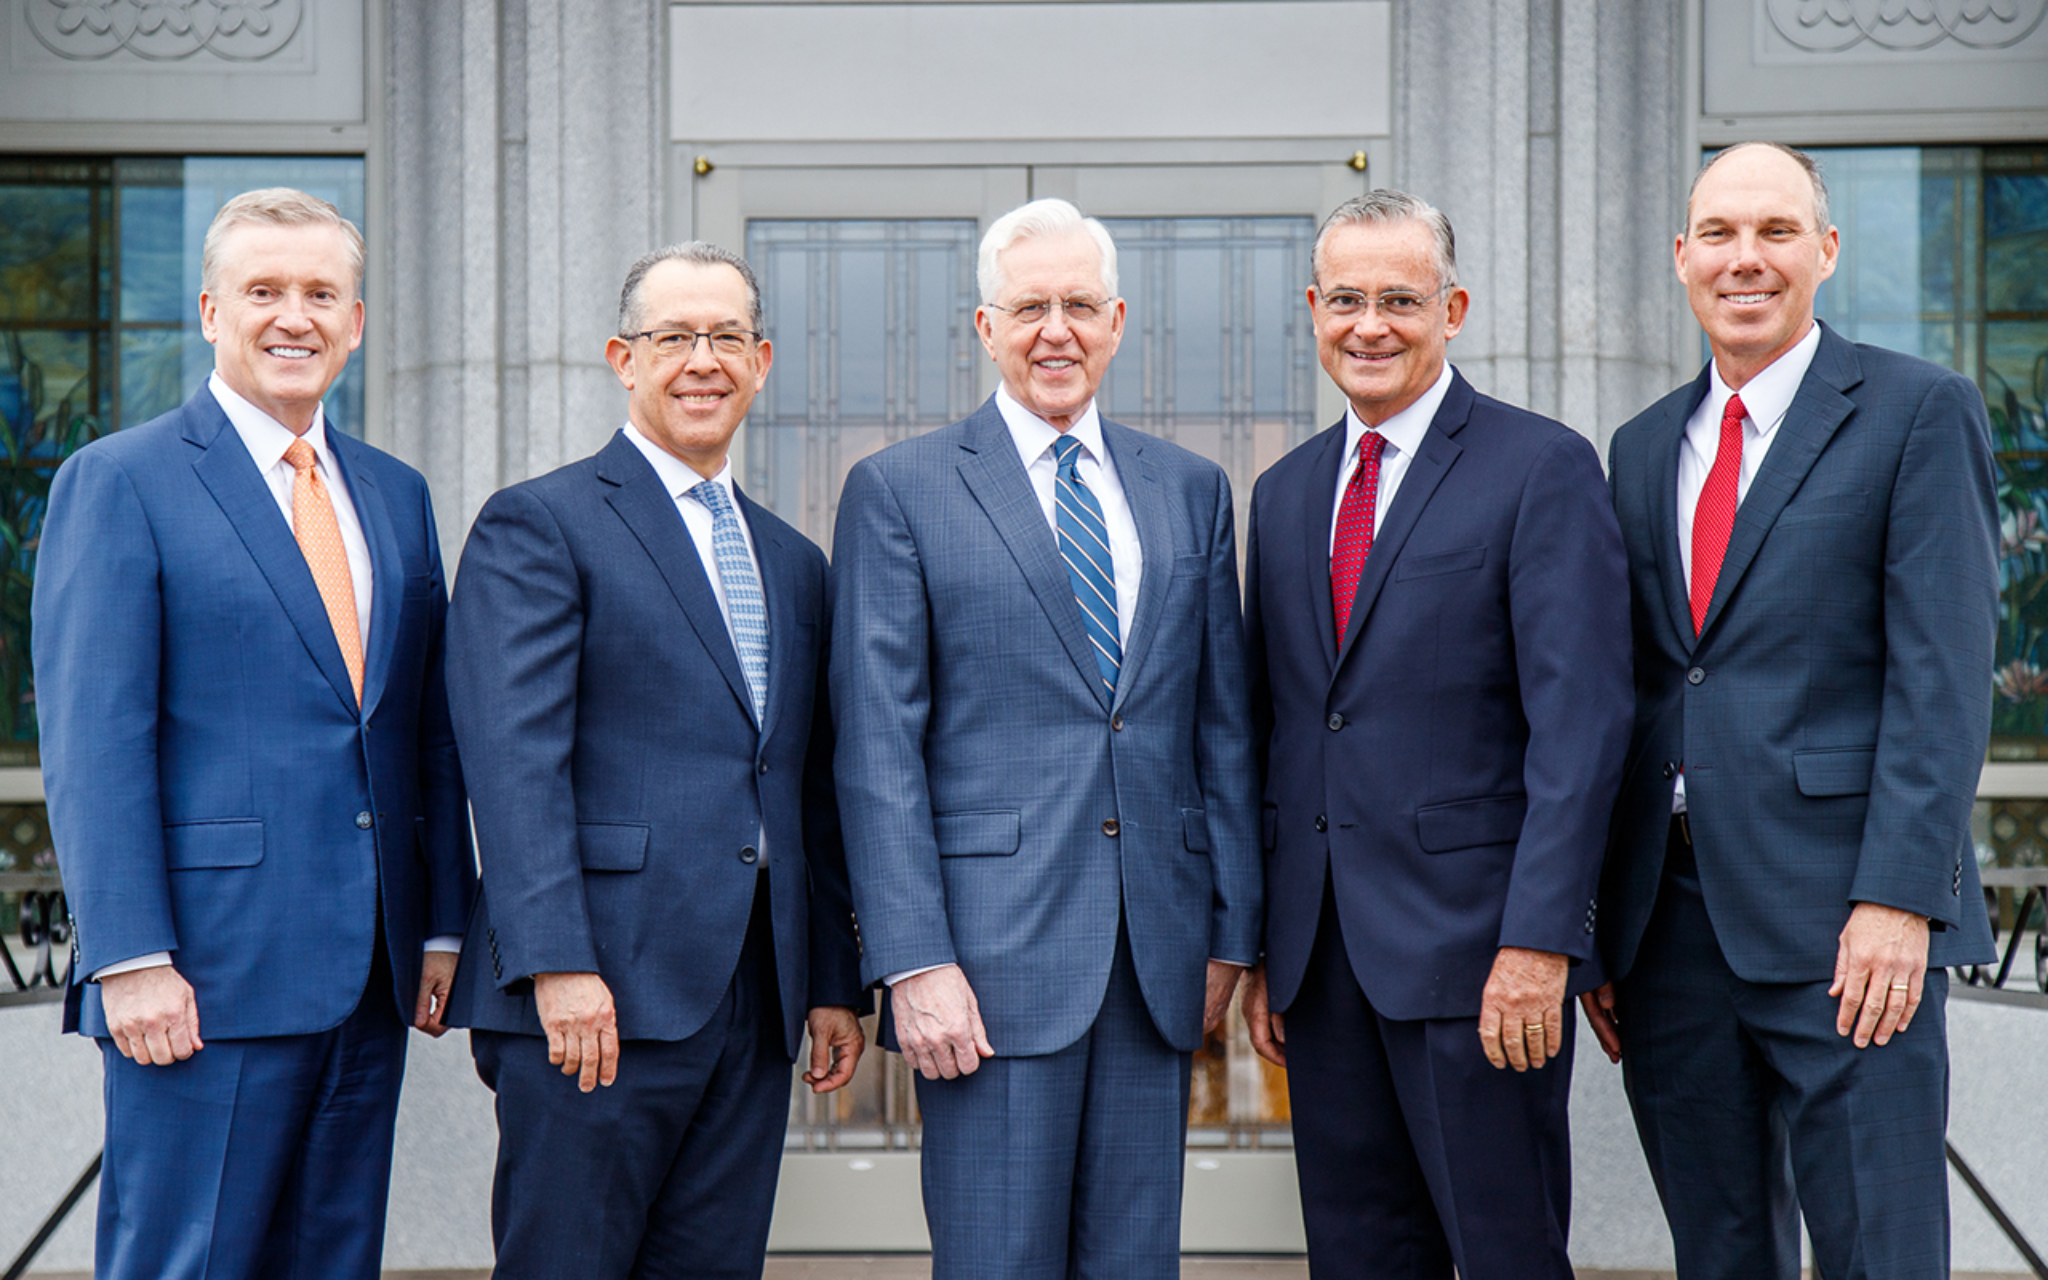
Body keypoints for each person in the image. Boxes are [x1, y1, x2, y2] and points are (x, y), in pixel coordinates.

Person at [32, 188, 477, 1280]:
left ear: (355, 322)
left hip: (371, 976)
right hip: (201, 978)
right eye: (264, 290)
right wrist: (131, 956)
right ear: (210, 312)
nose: (294, 316)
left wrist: (441, 922)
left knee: (332, 1261)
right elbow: (95, 742)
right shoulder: (120, 481)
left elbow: (424, 730)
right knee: (185, 1262)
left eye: (321, 293)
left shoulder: (395, 494)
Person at [1587, 141, 1999, 1280]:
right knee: (1718, 1253)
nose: (1745, 259)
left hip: (1848, 927)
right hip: (1668, 933)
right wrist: (1601, 921)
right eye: (1719, 234)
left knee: (1878, 1252)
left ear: (1825, 251)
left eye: (1775, 232)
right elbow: (1639, 689)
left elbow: (1943, 676)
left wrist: (1898, 899)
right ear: (1681, 257)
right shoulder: (1640, 447)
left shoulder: (1918, 411)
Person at [830, 197, 1262, 1279]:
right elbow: (878, 748)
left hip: (1155, 961)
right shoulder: (900, 489)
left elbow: (1221, 729)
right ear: (986, 327)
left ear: (1117, 322)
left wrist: (1231, 932)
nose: (1055, 331)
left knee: (1133, 1264)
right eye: (1029, 308)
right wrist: (913, 958)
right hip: (985, 968)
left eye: (1079, 305)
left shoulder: (1190, 490)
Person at [442, 241, 864, 1279]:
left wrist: (828, 980)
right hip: (596, 992)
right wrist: (557, 963)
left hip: (751, 997)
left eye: (726, 336)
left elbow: (805, 785)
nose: (702, 360)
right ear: (622, 358)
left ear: (761, 361)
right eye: (673, 336)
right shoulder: (540, 523)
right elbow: (514, 765)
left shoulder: (793, 561)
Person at [1238, 189, 1633, 1280]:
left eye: (1400, 300)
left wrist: (1541, 941)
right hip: (1322, 966)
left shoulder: (1539, 466)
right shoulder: (1282, 493)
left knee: (1506, 1254)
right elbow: (1280, 728)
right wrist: (1269, 946)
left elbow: (1582, 725)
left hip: (1481, 960)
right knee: (1357, 1257)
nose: (1369, 325)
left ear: (1451, 310)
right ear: (1313, 310)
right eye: (1346, 300)